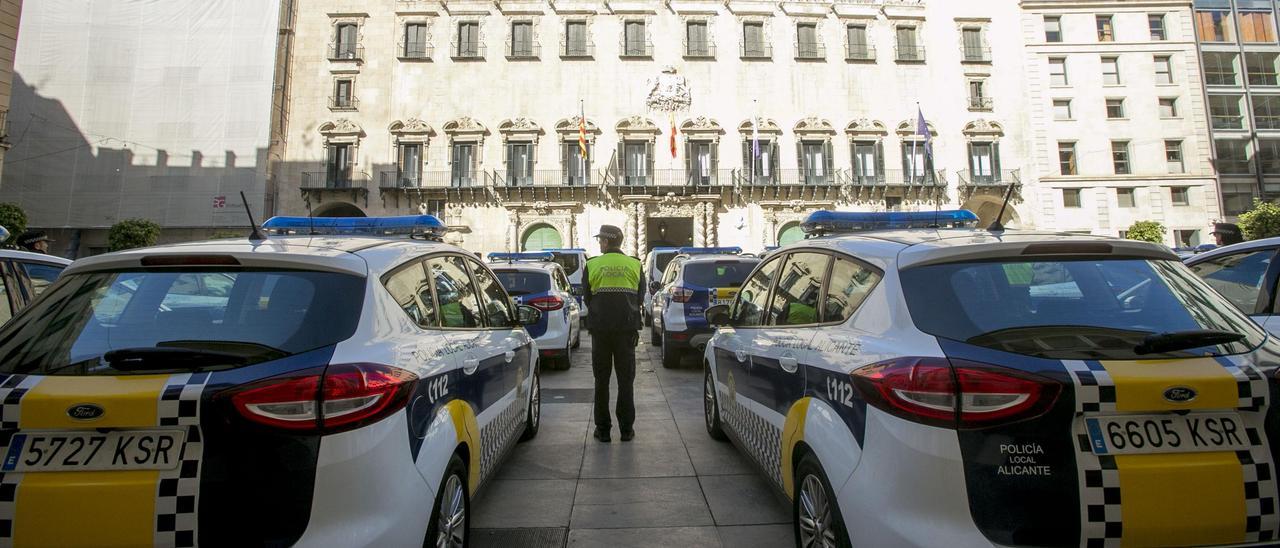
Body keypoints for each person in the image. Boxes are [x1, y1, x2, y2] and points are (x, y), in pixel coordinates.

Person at [582, 225, 644, 442]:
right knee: (626, 381)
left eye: (601, 240)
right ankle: (626, 430)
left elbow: (587, 298)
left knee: (601, 381)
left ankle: (603, 430)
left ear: (606, 242)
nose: (599, 243)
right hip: (626, 333)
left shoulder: (592, 264)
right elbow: (640, 297)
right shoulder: (635, 265)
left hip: (600, 332)